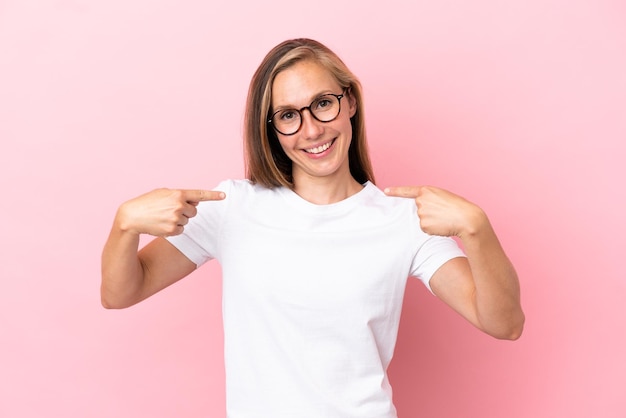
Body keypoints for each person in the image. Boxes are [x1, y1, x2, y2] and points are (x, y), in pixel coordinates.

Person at [101, 38, 524, 418]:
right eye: (288, 115)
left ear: (350, 101)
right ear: (270, 129)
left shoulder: (402, 221)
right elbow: (120, 293)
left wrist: (477, 229)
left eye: (323, 103)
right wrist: (124, 226)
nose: (312, 130)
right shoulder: (232, 209)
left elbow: (504, 324)